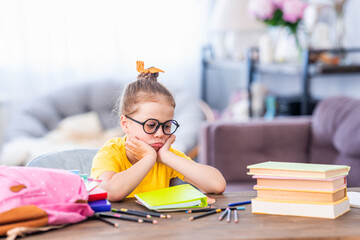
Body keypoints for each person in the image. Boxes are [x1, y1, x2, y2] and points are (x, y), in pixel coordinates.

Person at [91, 61, 226, 201]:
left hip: (159, 222)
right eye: (151, 125)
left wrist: (166, 157)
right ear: (125, 124)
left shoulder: (164, 154)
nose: (160, 134)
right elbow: (111, 192)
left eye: (167, 126)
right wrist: (148, 158)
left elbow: (217, 185)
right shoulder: (111, 152)